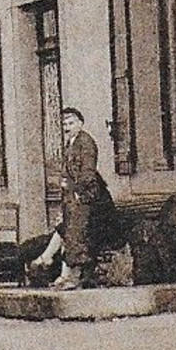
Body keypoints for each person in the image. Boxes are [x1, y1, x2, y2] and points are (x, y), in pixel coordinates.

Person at [52, 106, 104, 290]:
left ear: (80, 123)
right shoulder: (71, 143)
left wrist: (77, 190)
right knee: (70, 233)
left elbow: (88, 172)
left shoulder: (85, 142)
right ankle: (68, 276)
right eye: (64, 123)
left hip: (84, 196)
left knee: (77, 234)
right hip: (71, 198)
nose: (67, 127)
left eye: (71, 123)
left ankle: (77, 278)